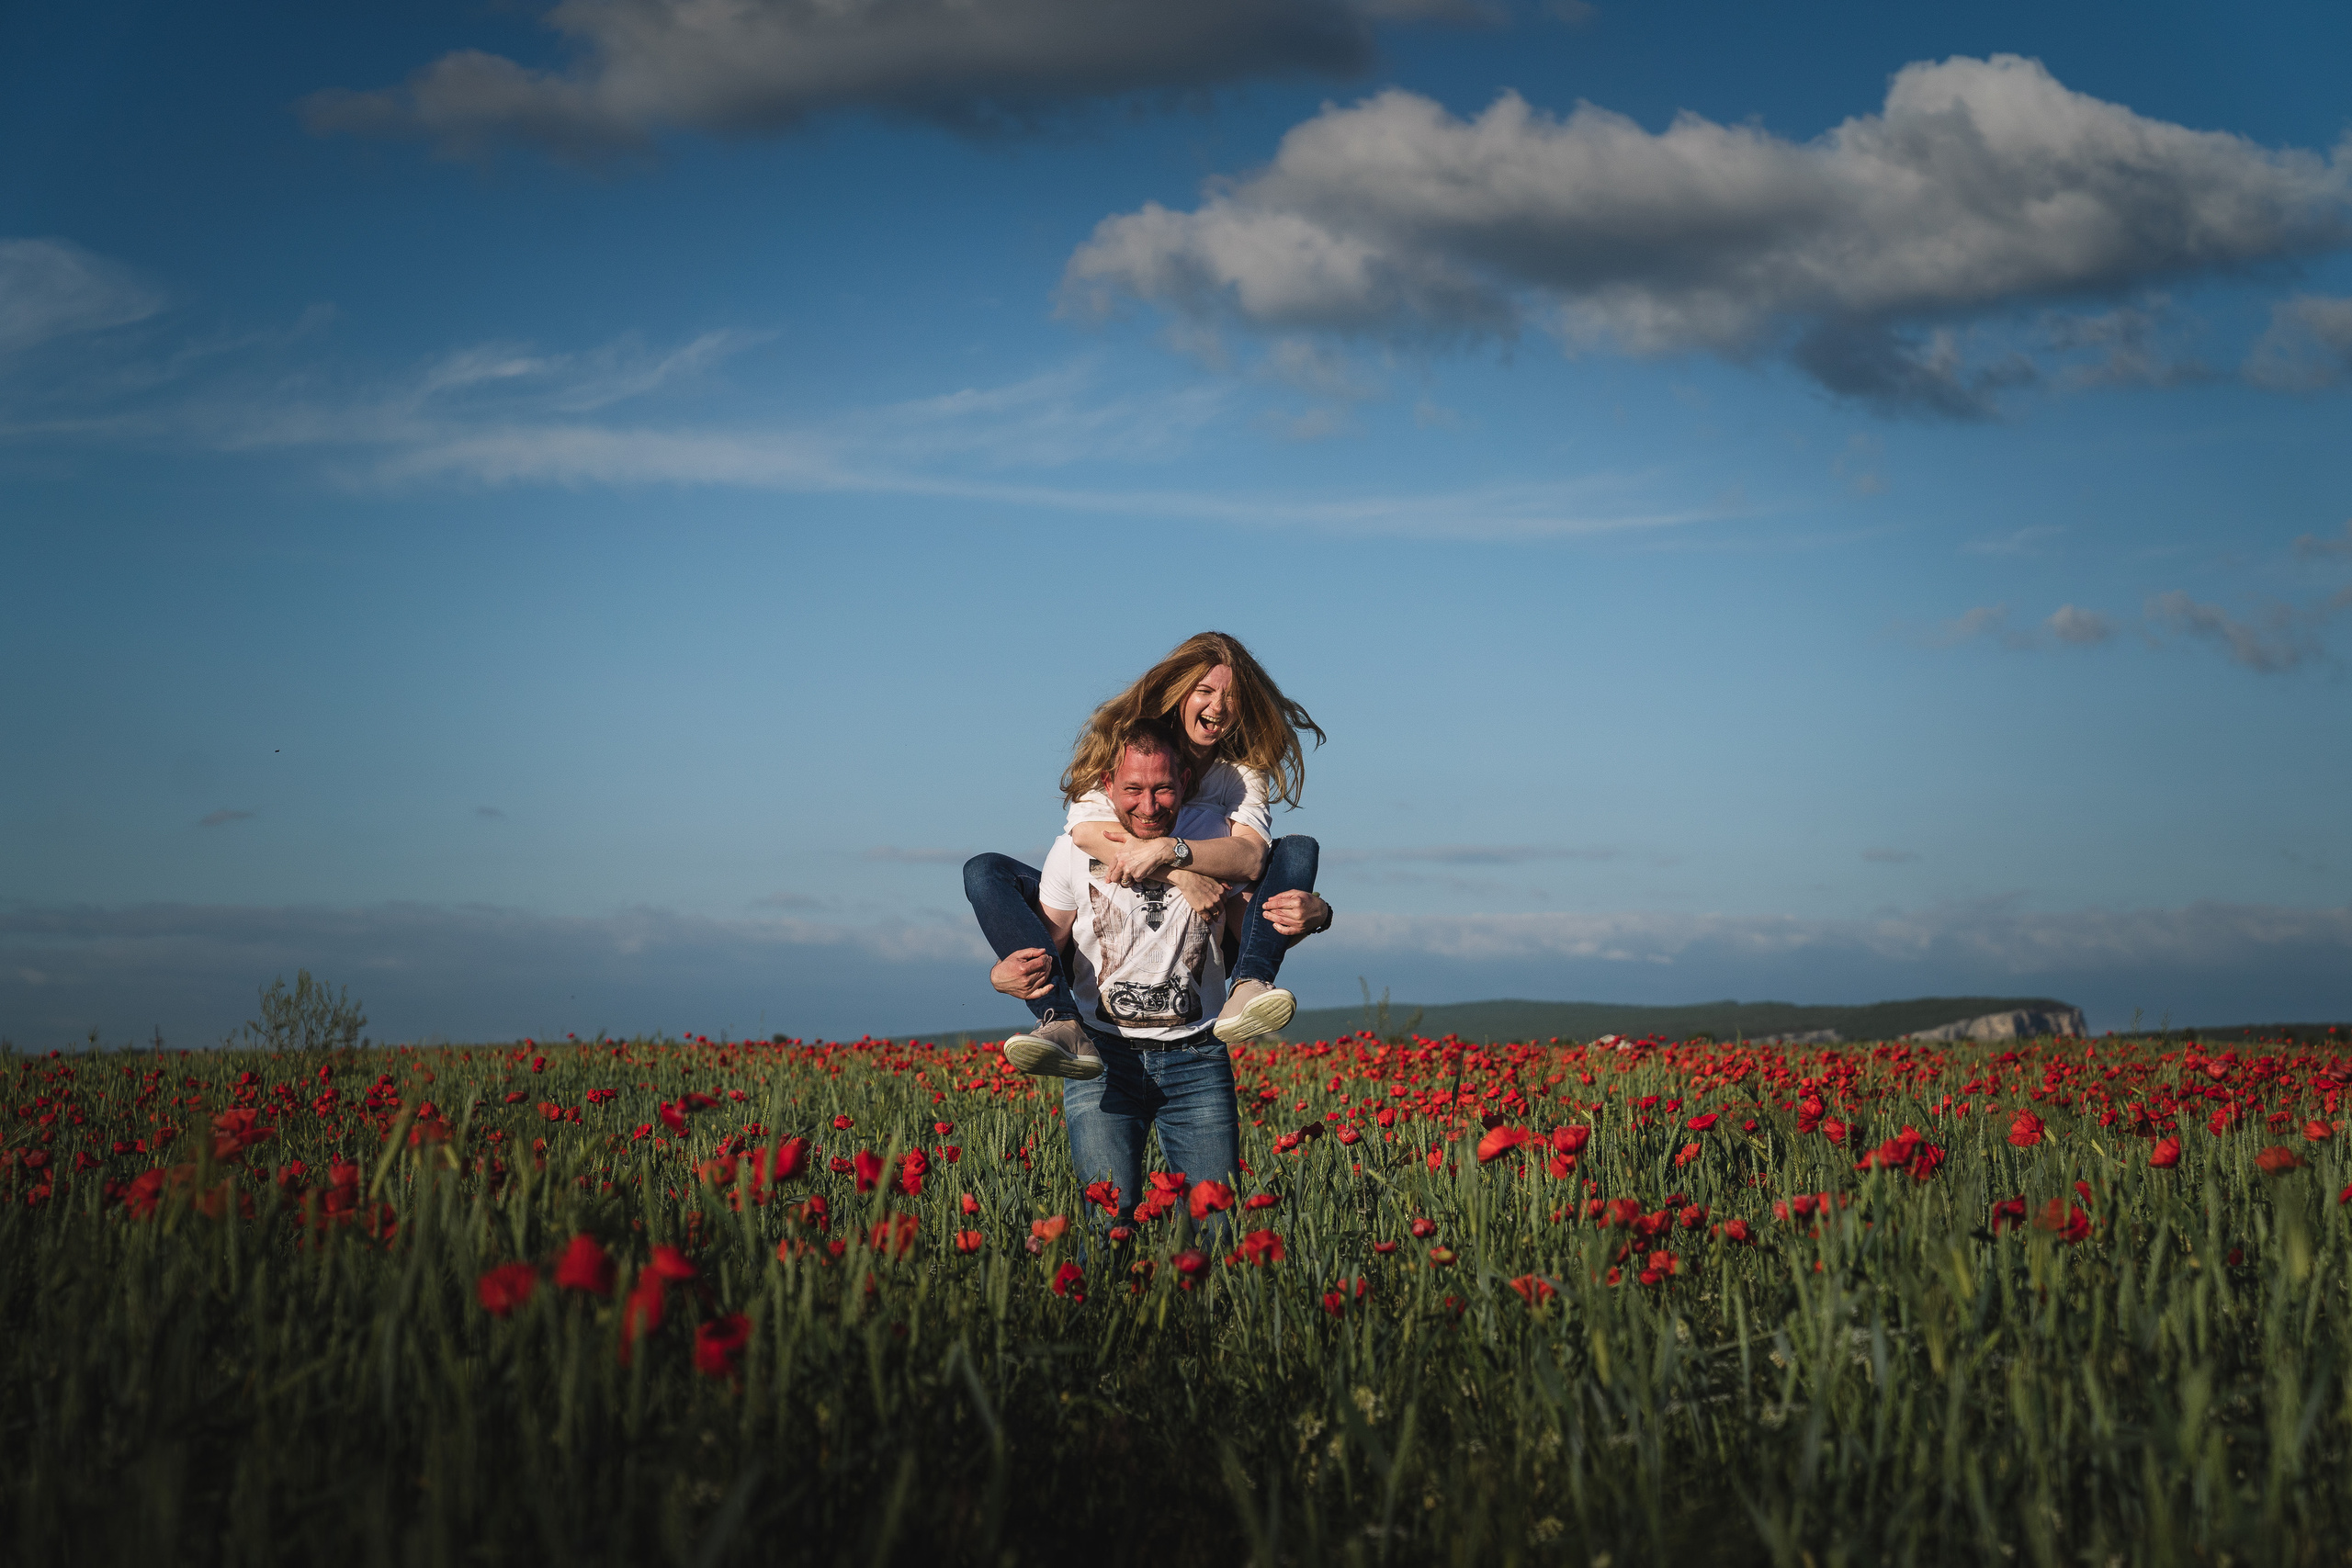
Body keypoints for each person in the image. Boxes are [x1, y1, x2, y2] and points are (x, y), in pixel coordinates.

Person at [980, 719, 1311, 1224]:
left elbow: (1253, 924)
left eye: (1163, 788)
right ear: (1107, 786)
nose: (1149, 806)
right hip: (1102, 1055)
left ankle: (1251, 986)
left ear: (1186, 783)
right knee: (1107, 1222)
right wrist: (1000, 977)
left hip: (1196, 1054)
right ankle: (1057, 1021)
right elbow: (1051, 943)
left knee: (1217, 1226)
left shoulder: (1216, 838)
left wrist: (1316, 915)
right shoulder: (1074, 847)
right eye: (1133, 789)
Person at [962, 630, 1330, 1078]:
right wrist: (1182, 875)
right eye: (1205, 691)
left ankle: (1250, 984)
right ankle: (1058, 1020)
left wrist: (1168, 850)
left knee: (1298, 850)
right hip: (1118, 917)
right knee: (985, 871)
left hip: (1209, 936)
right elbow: (1086, 833)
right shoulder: (1130, 750)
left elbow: (1252, 859)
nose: (1218, 706)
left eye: (1231, 696)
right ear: (1179, 692)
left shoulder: (1240, 774)